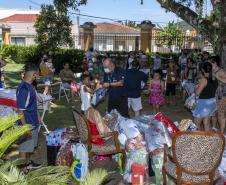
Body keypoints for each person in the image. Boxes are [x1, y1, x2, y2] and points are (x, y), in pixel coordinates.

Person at [16, 63, 42, 169]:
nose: (39, 76)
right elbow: (20, 112)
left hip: (33, 122)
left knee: (29, 147)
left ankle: (28, 163)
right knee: (24, 148)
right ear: (34, 74)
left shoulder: (30, 86)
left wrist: (38, 116)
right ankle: (22, 170)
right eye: (38, 74)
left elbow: (32, 105)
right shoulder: (24, 89)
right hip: (27, 125)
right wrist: (25, 129)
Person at [192, 62, 218, 131]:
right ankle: (207, 139)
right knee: (207, 124)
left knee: (196, 124)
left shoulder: (204, 80)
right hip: (212, 102)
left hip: (203, 103)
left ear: (203, 70)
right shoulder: (214, 78)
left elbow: (197, 93)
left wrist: (196, 87)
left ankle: (198, 140)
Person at [211, 55, 226, 133]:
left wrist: (217, 76)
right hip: (215, 95)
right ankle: (214, 128)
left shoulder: (221, 71)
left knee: (221, 114)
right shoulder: (213, 70)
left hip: (222, 95)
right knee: (214, 113)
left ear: (215, 63)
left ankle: (222, 132)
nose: (210, 63)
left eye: (211, 62)